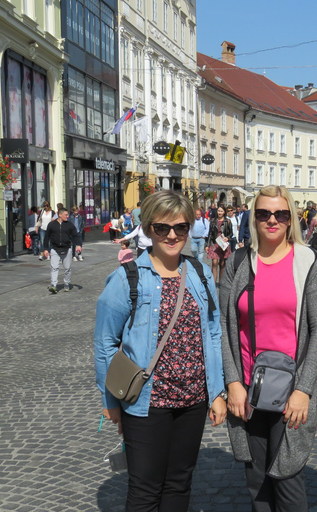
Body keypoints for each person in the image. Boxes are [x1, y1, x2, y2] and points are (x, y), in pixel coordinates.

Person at [95, 190, 227, 512]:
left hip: (193, 401)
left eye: (180, 228)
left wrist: (217, 391)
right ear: (148, 229)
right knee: (145, 490)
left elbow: (212, 331)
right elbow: (105, 343)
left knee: (179, 484)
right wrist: (110, 400)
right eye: (161, 228)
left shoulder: (199, 273)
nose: (171, 235)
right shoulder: (128, 278)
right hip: (146, 402)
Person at [220, 185, 317, 512]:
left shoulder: (307, 261)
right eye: (264, 213)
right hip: (248, 390)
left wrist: (305, 390)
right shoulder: (239, 262)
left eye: (281, 214)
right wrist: (232, 384)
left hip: (292, 392)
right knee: (256, 482)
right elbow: (224, 329)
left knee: (287, 478)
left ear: (292, 219)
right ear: (253, 218)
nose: (272, 220)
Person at [43, 207, 82, 293]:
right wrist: (45, 249)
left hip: (67, 248)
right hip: (54, 249)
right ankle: (53, 285)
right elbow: (46, 237)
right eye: (66, 215)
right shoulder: (51, 225)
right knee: (54, 268)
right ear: (59, 215)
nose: (67, 216)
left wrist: (79, 245)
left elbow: (76, 235)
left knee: (67, 268)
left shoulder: (70, 225)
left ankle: (66, 283)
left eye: (68, 215)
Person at [207, 204, 233, 283]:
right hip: (214, 243)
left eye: (221, 211)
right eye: (218, 211)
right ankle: (213, 283)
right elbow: (210, 234)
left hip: (223, 244)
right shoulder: (213, 221)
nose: (219, 212)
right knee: (214, 263)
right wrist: (207, 245)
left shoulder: (227, 221)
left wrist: (227, 238)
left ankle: (221, 282)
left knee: (222, 264)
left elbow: (231, 233)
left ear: (224, 212)